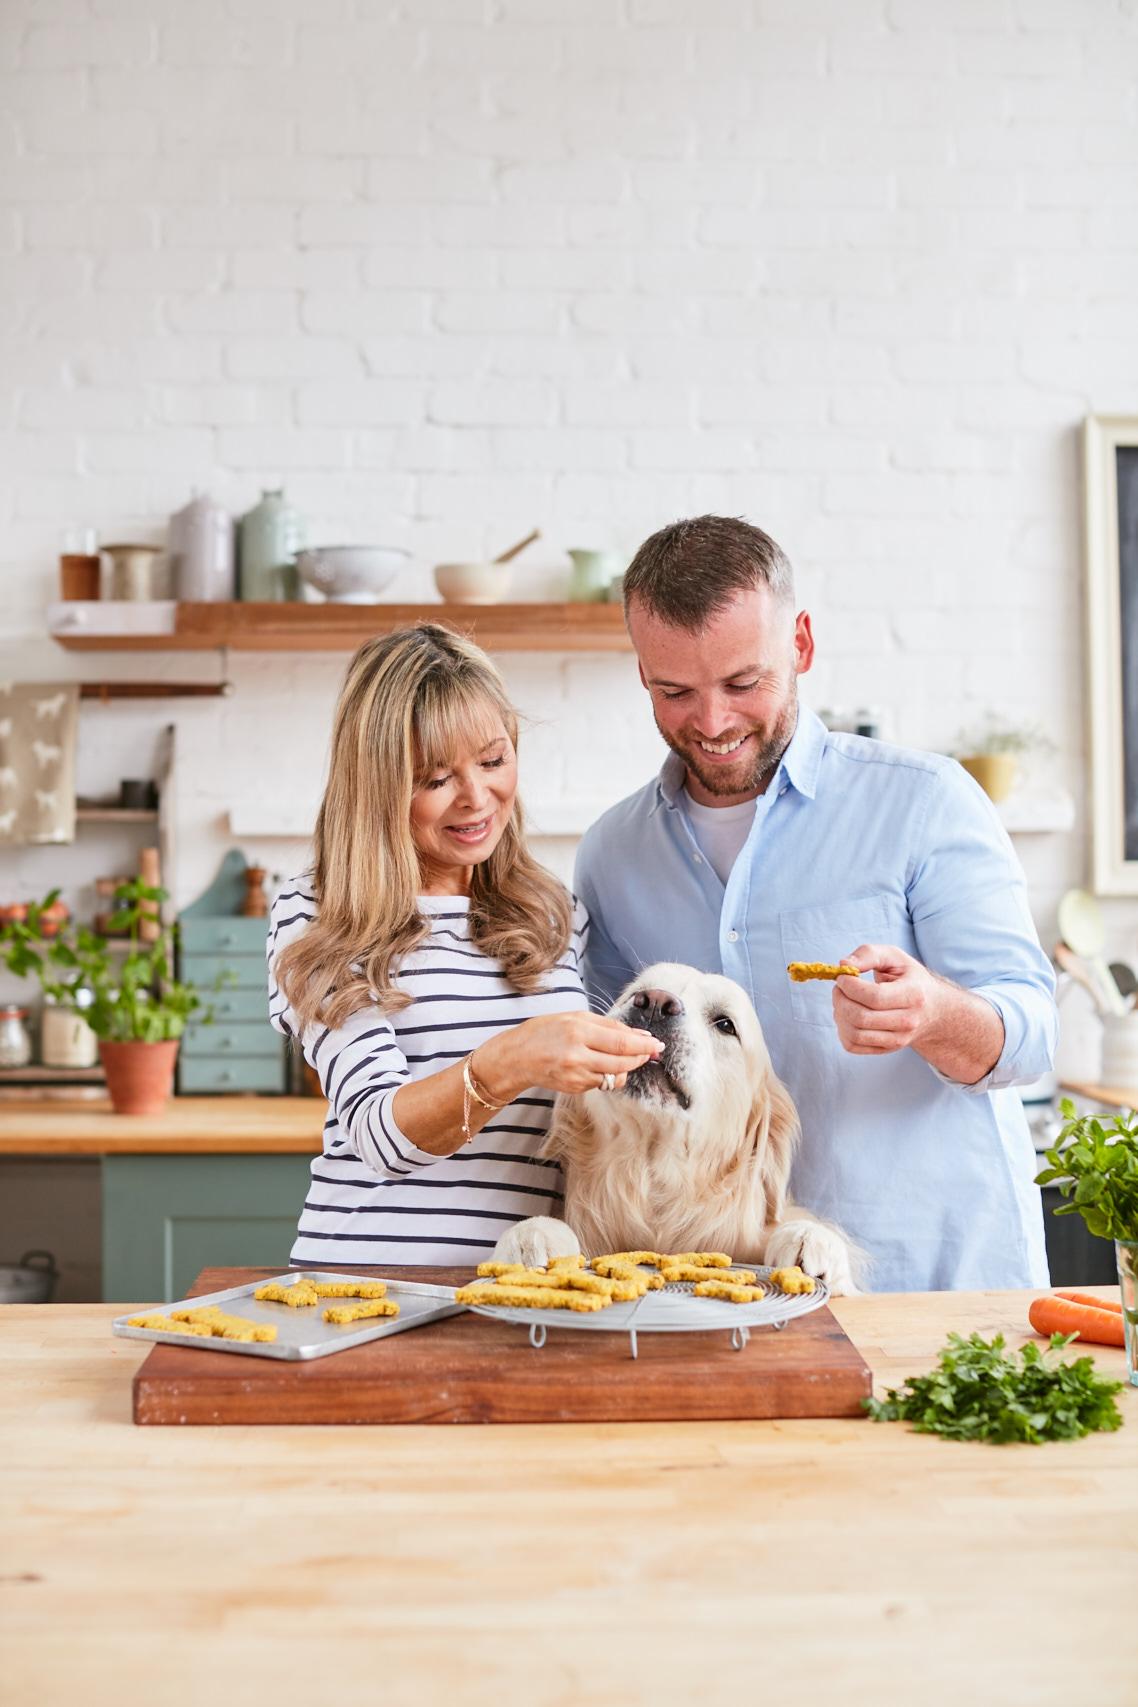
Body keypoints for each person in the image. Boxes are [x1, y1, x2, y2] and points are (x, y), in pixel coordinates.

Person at [574, 515, 1057, 1292]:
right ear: (641, 671)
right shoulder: (613, 855)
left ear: (800, 644)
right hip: (734, 1301)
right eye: (675, 691)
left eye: (743, 682)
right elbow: (601, 1091)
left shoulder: (926, 803)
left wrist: (932, 1012)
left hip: (939, 1289)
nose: (713, 721)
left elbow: (1033, 1037)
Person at [268, 624, 659, 1266]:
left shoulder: (554, 911)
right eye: (434, 777)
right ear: (377, 784)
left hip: (537, 1286)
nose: (477, 798)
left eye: (493, 759)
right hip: (376, 1280)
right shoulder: (319, 910)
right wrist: (514, 1059)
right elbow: (378, 1134)